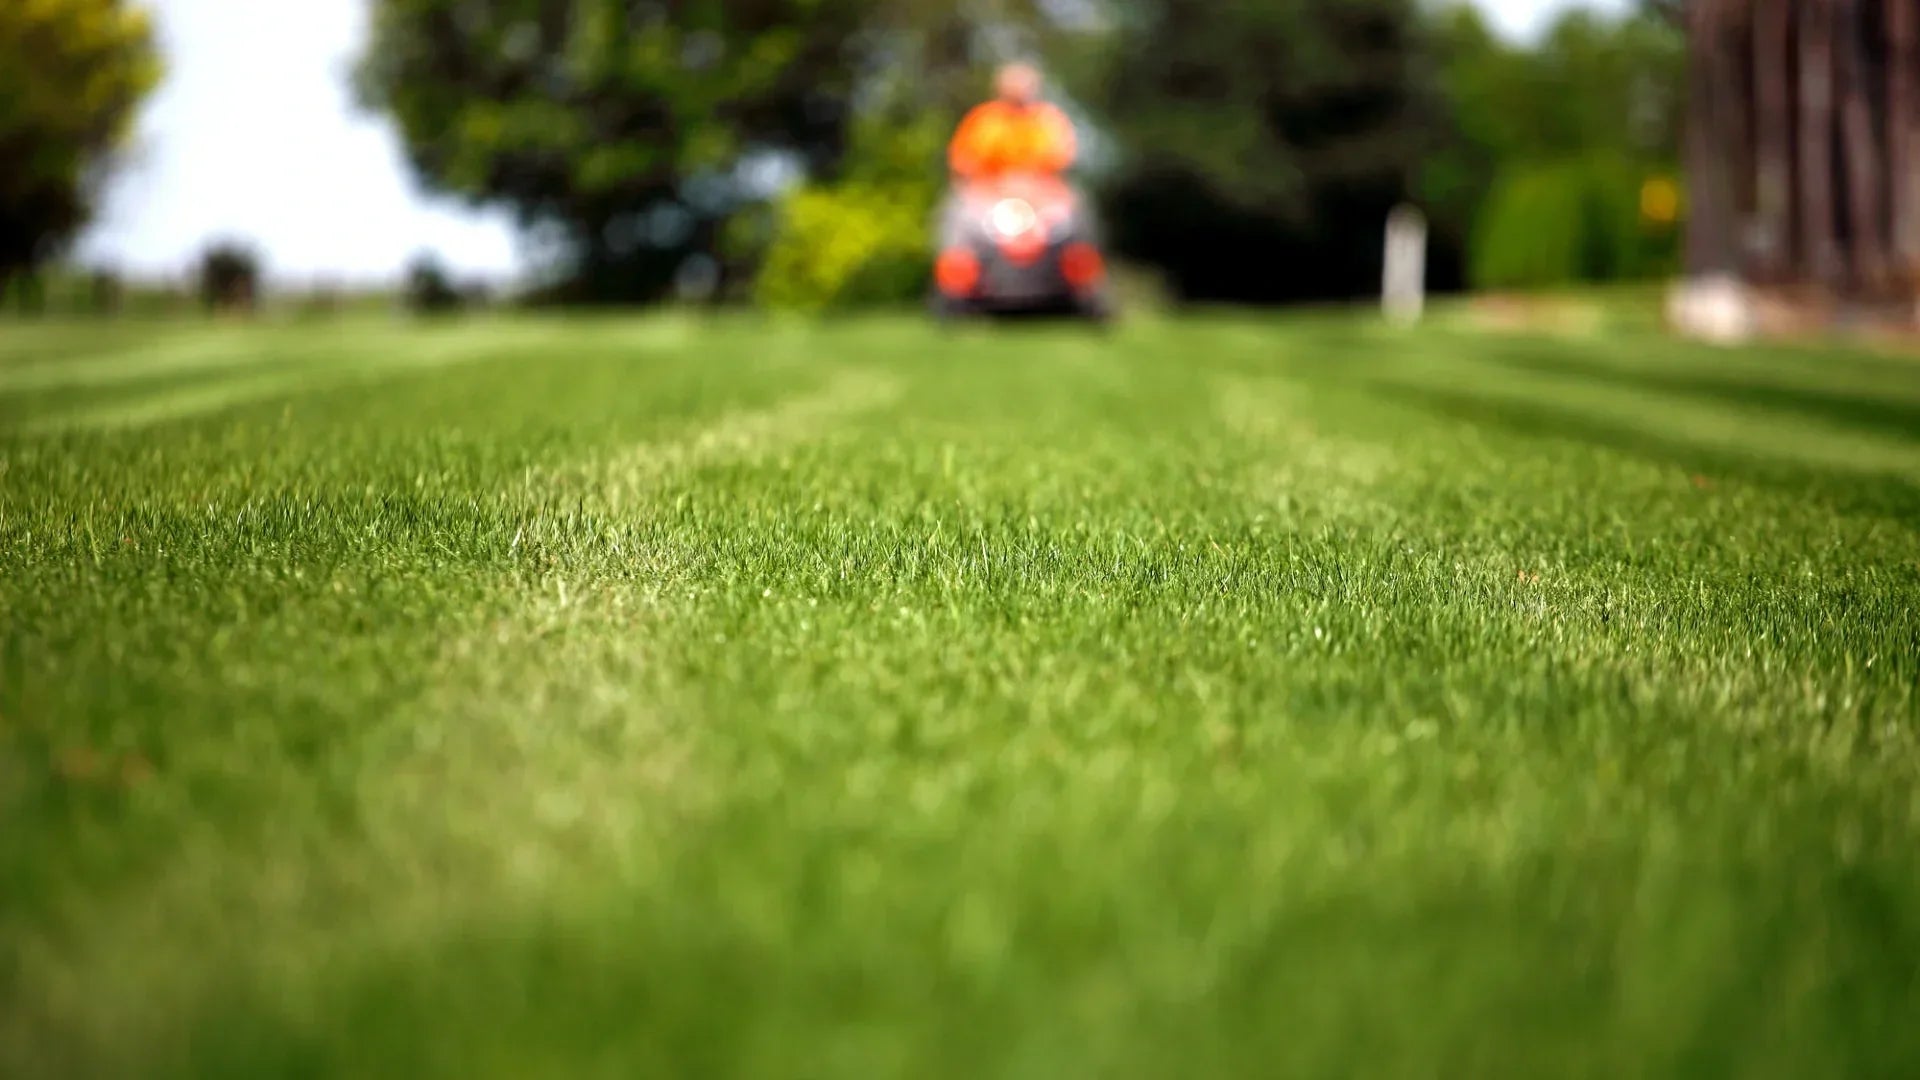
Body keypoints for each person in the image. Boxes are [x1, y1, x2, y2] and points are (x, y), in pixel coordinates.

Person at [947, 62, 1078, 184]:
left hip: (1040, 193)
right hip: (990, 191)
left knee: (1071, 206)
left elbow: (1063, 157)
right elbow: (963, 159)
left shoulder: (1048, 120)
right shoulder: (985, 119)